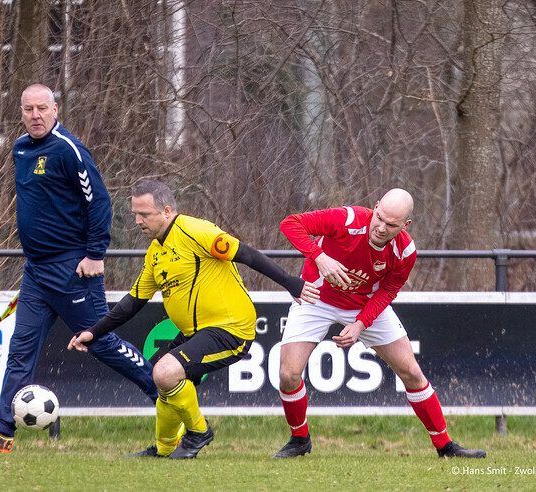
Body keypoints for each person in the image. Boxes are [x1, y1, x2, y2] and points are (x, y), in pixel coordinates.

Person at [0, 84, 157, 453]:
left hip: (72, 269)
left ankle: (167, 394)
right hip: (36, 272)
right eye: (28, 109)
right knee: (21, 349)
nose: (35, 115)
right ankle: (2, 431)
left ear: (55, 109)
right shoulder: (19, 148)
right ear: (20, 111)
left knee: (102, 343)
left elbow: (99, 202)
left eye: (42, 108)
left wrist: (96, 253)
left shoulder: (68, 149)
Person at [68, 180, 320, 459]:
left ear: (166, 211)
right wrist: (94, 332)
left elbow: (246, 254)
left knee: (165, 373)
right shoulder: (155, 252)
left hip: (230, 327)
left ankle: (199, 431)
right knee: (162, 381)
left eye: (144, 214)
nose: (137, 221)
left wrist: (290, 283)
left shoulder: (196, 231)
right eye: (134, 214)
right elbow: (133, 302)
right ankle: (166, 449)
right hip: (195, 331)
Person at [274, 189, 486, 459]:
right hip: (317, 298)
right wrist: (319, 256)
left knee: (411, 371)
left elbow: (387, 291)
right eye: (380, 218)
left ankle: (445, 446)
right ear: (375, 208)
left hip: (365, 304)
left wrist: (361, 324)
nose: (381, 228)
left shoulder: (405, 252)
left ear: (405, 226)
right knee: (288, 374)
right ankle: (299, 439)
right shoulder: (347, 219)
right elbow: (290, 223)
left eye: (391, 225)